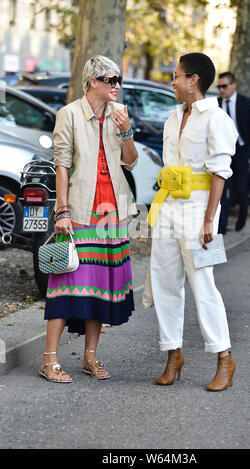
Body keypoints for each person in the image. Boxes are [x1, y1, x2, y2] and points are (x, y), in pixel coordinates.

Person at [39, 55, 138, 383]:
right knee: (65, 285)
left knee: (100, 289)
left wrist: (126, 132)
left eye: (119, 80)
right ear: (93, 81)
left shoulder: (118, 115)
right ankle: (49, 359)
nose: (117, 86)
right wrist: (62, 210)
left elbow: (131, 162)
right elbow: (62, 164)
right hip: (81, 212)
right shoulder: (69, 114)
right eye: (111, 80)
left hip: (114, 213)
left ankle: (90, 358)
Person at [144, 53, 238, 391]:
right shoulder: (172, 119)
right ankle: (173, 355)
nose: (172, 82)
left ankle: (224, 359)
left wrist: (209, 219)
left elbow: (219, 174)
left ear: (193, 80)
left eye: (176, 76)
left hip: (199, 211)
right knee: (165, 282)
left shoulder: (217, 119)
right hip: (168, 207)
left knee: (203, 286)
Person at [217, 72, 250, 233]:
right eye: (219, 87)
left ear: (233, 85)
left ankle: (242, 217)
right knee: (221, 190)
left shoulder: (246, 103)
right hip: (222, 154)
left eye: (224, 86)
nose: (221, 90)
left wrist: (248, 152)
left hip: (241, 151)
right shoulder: (215, 104)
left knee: (241, 189)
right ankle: (221, 226)